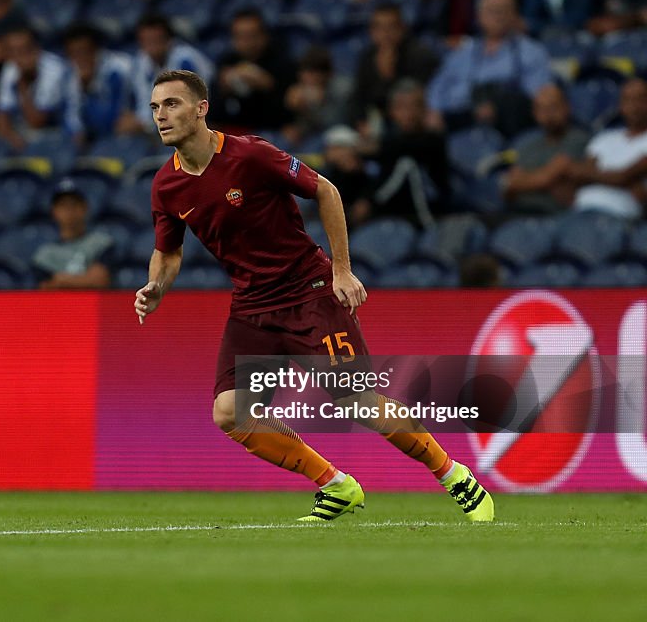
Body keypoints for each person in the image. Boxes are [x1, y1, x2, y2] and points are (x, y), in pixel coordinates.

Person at [134, 69, 494, 522]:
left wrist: (342, 270)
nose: (160, 116)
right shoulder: (166, 185)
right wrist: (156, 287)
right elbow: (167, 253)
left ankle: (455, 477)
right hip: (251, 308)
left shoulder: (251, 155)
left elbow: (326, 189)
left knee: (357, 402)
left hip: (310, 292)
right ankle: (336, 485)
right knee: (230, 413)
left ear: (201, 109)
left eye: (171, 104)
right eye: (154, 107)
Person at [426, 0, 553, 138]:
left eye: (504, 10)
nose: (498, 16)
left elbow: (540, 98)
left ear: (514, 15)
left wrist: (499, 107)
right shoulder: (461, 54)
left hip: (507, 127)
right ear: (479, 16)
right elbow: (437, 88)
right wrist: (434, 111)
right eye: (492, 10)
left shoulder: (532, 52)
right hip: (459, 121)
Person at [347, 2, 441, 130]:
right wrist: (361, 122)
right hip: (379, 122)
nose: (385, 33)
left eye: (391, 27)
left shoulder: (420, 56)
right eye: (379, 27)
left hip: (413, 124)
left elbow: (418, 99)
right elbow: (358, 97)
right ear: (371, 31)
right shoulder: (368, 56)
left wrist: (388, 74)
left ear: (402, 28)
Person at [370, 79, 450, 226]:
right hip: (392, 215)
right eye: (401, 108)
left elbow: (406, 147)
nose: (408, 114)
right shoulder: (389, 141)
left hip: (432, 214)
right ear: (392, 112)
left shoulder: (433, 140)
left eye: (414, 107)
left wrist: (370, 204)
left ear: (423, 110)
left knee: (406, 165)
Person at [502, 83, 588, 215]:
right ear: (534, 113)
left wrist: (525, 181)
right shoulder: (526, 144)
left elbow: (547, 178)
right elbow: (509, 187)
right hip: (518, 214)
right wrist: (543, 181)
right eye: (541, 109)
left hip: (556, 216)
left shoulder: (580, 140)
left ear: (567, 107)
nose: (548, 114)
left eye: (553, 107)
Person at [0, 25, 82, 151]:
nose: (19, 56)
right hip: (34, 135)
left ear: (36, 49)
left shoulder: (54, 70)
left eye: (24, 49)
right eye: (12, 51)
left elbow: (37, 121)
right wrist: (11, 139)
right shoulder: (11, 67)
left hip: (66, 133)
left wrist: (22, 84)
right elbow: (1, 119)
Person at [569, 77, 647, 220]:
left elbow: (624, 176)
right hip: (581, 211)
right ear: (620, 105)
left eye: (641, 99)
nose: (634, 106)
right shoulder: (604, 138)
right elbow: (580, 175)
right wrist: (624, 181)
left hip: (621, 218)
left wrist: (598, 174)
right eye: (628, 99)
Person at [210, 8, 295, 134]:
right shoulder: (226, 62)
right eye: (240, 36)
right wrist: (223, 90)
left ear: (264, 36)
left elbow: (290, 111)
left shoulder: (282, 62)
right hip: (233, 131)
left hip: (271, 132)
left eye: (251, 36)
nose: (246, 42)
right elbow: (213, 112)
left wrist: (268, 86)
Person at [32, 178, 112, 289]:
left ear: (85, 208)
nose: (69, 210)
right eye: (63, 205)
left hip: (92, 305)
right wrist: (83, 280)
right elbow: (44, 290)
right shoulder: (45, 254)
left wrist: (61, 280)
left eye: (74, 204)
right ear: (54, 211)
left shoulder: (101, 243)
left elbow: (99, 281)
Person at [62, 23, 131, 142]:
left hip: (122, 133)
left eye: (84, 51)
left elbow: (113, 118)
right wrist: (77, 132)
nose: (81, 58)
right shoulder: (70, 74)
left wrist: (86, 89)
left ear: (96, 50)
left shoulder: (117, 70)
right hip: (95, 137)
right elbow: (69, 117)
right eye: (74, 53)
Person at [282, 45, 350, 143]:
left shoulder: (342, 89)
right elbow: (309, 126)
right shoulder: (301, 90)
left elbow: (338, 125)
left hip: (342, 136)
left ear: (326, 74)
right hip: (315, 138)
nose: (307, 78)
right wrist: (300, 113)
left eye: (312, 73)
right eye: (303, 72)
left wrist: (318, 104)